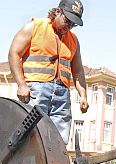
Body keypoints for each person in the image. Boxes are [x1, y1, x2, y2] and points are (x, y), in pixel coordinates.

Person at [8, 0, 89, 145]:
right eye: (67, 20)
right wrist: (21, 85)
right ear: (58, 12)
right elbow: (14, 53)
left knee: (58, 141)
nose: (69, 26)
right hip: (36, 91)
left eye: (73, 24)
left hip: (62, 95)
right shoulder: (35, 27)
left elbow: (78, 71)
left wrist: (83, 95)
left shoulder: (74, 40)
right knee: (30, 137)